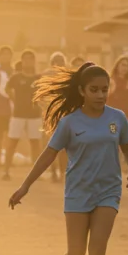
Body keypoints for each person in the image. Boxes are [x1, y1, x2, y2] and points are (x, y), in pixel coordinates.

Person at [9, 63, 128, 255]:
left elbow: (127, 147)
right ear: (81, 90)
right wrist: (25, 186)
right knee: (76, 253)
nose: (101, 95)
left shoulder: (117, 118)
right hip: (78, 192)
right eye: (94, 90)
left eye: (105, 89)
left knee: (97, 249)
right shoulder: (69, 122)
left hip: (108, 191)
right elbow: (48, 155)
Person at [5, 50, 43, 181]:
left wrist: (40, 103)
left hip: (34, 115)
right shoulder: (16, 77)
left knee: (35, 144)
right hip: (18, 114)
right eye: (26, 59)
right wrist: (13, 98)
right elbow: (7, 88)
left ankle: (36, 173)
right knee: (12, 143)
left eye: (31, 59)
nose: (28, 61)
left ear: (34, 61)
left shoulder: (39, 78)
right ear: (22, 61)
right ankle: (6, 171)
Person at [48, 52, 69, 183]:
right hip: (50, 116)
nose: (58, 63)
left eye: (61, 61)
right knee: (52, 147)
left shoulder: (69, 78)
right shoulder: (46, 76)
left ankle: (62, 172)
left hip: (65, 115)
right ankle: (53, 172)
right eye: (55, 61)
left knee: (63, 148)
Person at [108, 56, 128, 131]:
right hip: (113, 118)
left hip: (127, 117)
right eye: (123, 65)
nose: (125, 68)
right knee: (113, 138)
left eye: (127, 66)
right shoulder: (110, 81)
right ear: (117, 66)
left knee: (124, 140)